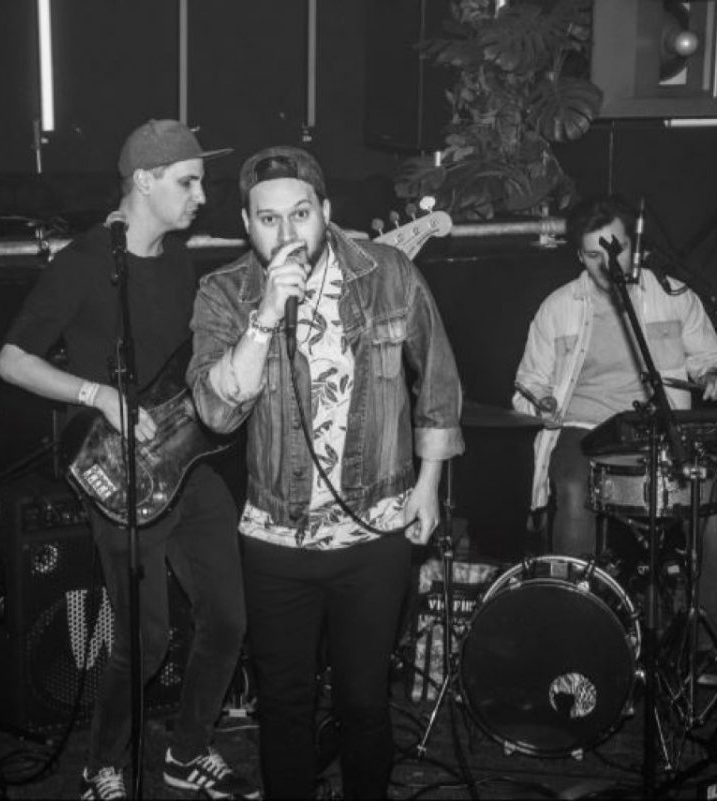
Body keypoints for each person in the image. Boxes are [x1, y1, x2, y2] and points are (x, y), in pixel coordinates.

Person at [187, 146, 464, 799]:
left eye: (300, 213)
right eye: (268, 219)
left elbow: (438, 381)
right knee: (284, 706)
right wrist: (265, 317)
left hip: (375, 529)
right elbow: (217, 413)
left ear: (326, 211)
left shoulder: (388, 273)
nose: (287, 232)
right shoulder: (224, 292)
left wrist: (427, 484)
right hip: (275, 537)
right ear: (247, 225)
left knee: (364, 703)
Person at [0, 119, 258, 800]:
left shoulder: (182, 260)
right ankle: (102, 765)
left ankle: (188, 751)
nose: (202, 195)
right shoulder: (85, 262)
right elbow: (12, 360)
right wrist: (97, 394)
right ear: (143, 180)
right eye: (188, 182)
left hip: (191, 462)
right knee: (145, 638)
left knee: (228, 618)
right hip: (120, 471)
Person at [512, 194, 717, 638]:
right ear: (579, 256)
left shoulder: (674, 297)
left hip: (659, 426)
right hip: (583, 428)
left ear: (636, 247)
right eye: (593, 254)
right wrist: (541, 403)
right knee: (573, 486)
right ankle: (574, 630)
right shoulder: (558, 307)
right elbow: (527, 384)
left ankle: (704, 643)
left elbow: (712, 358)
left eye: (616, 249)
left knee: (708, 495)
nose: (606, 263)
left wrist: (713, 374)